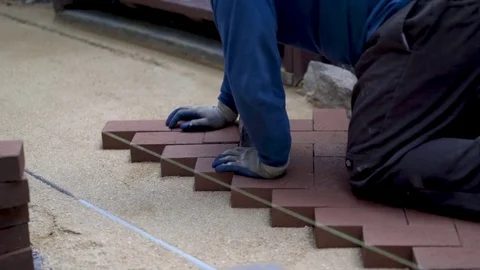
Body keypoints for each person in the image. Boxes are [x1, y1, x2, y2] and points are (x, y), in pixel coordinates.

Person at [166, 0, 480, 220]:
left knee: (377, 161)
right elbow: (248, 36)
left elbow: (252, 59)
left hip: (427, 21)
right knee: (446, 121)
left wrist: (269, 155)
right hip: (453, 18)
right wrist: (227, 105)